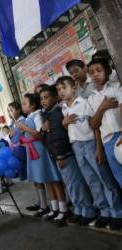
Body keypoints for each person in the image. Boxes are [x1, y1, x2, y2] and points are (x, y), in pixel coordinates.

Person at [57, 76, 122, 229]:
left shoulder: (84, 103)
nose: (61, 92)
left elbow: (95, 126)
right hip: (76, 146)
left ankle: (117, 212)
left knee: (104, 177)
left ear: (73, 87)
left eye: (64, 87)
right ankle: (105, 212)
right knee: (91, 180)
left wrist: (99, 147)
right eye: (58, 89)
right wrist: (64, 124)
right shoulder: (63, 108)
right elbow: (69, 128)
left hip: (91, 143)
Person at [40, 85, 96, 226]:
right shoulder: (48, 114)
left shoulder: (58, 112)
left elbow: (59, 136)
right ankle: (79, 209)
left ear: (54, 98)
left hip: (65, 154)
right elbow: (48, 137)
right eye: (41, 99)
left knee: (75, 183)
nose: (43, 101)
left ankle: (87, 211)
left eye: (46, 97)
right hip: (58, 155)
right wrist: (44, 130)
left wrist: (60, 155)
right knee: (70, 185)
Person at [17, 93, 66, 224]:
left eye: (25, 103)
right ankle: (55, 208)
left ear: (33, 105)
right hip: (33, 151)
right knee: (46, 180)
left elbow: (39, 134)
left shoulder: (38, 115)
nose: (22, 105)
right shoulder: (29, 117)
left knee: (53, 179)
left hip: (41, 150)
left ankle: (63, 208)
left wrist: (25, 128)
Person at [86, 59, 122, 190]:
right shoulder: (91, 99)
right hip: (106, 142)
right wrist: (102, 107)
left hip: (120, 135)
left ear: (107, 71)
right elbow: (94, 124)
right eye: (91, 72)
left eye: (98, 70)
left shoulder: (116, 87)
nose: (95, 74)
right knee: (119, 177)